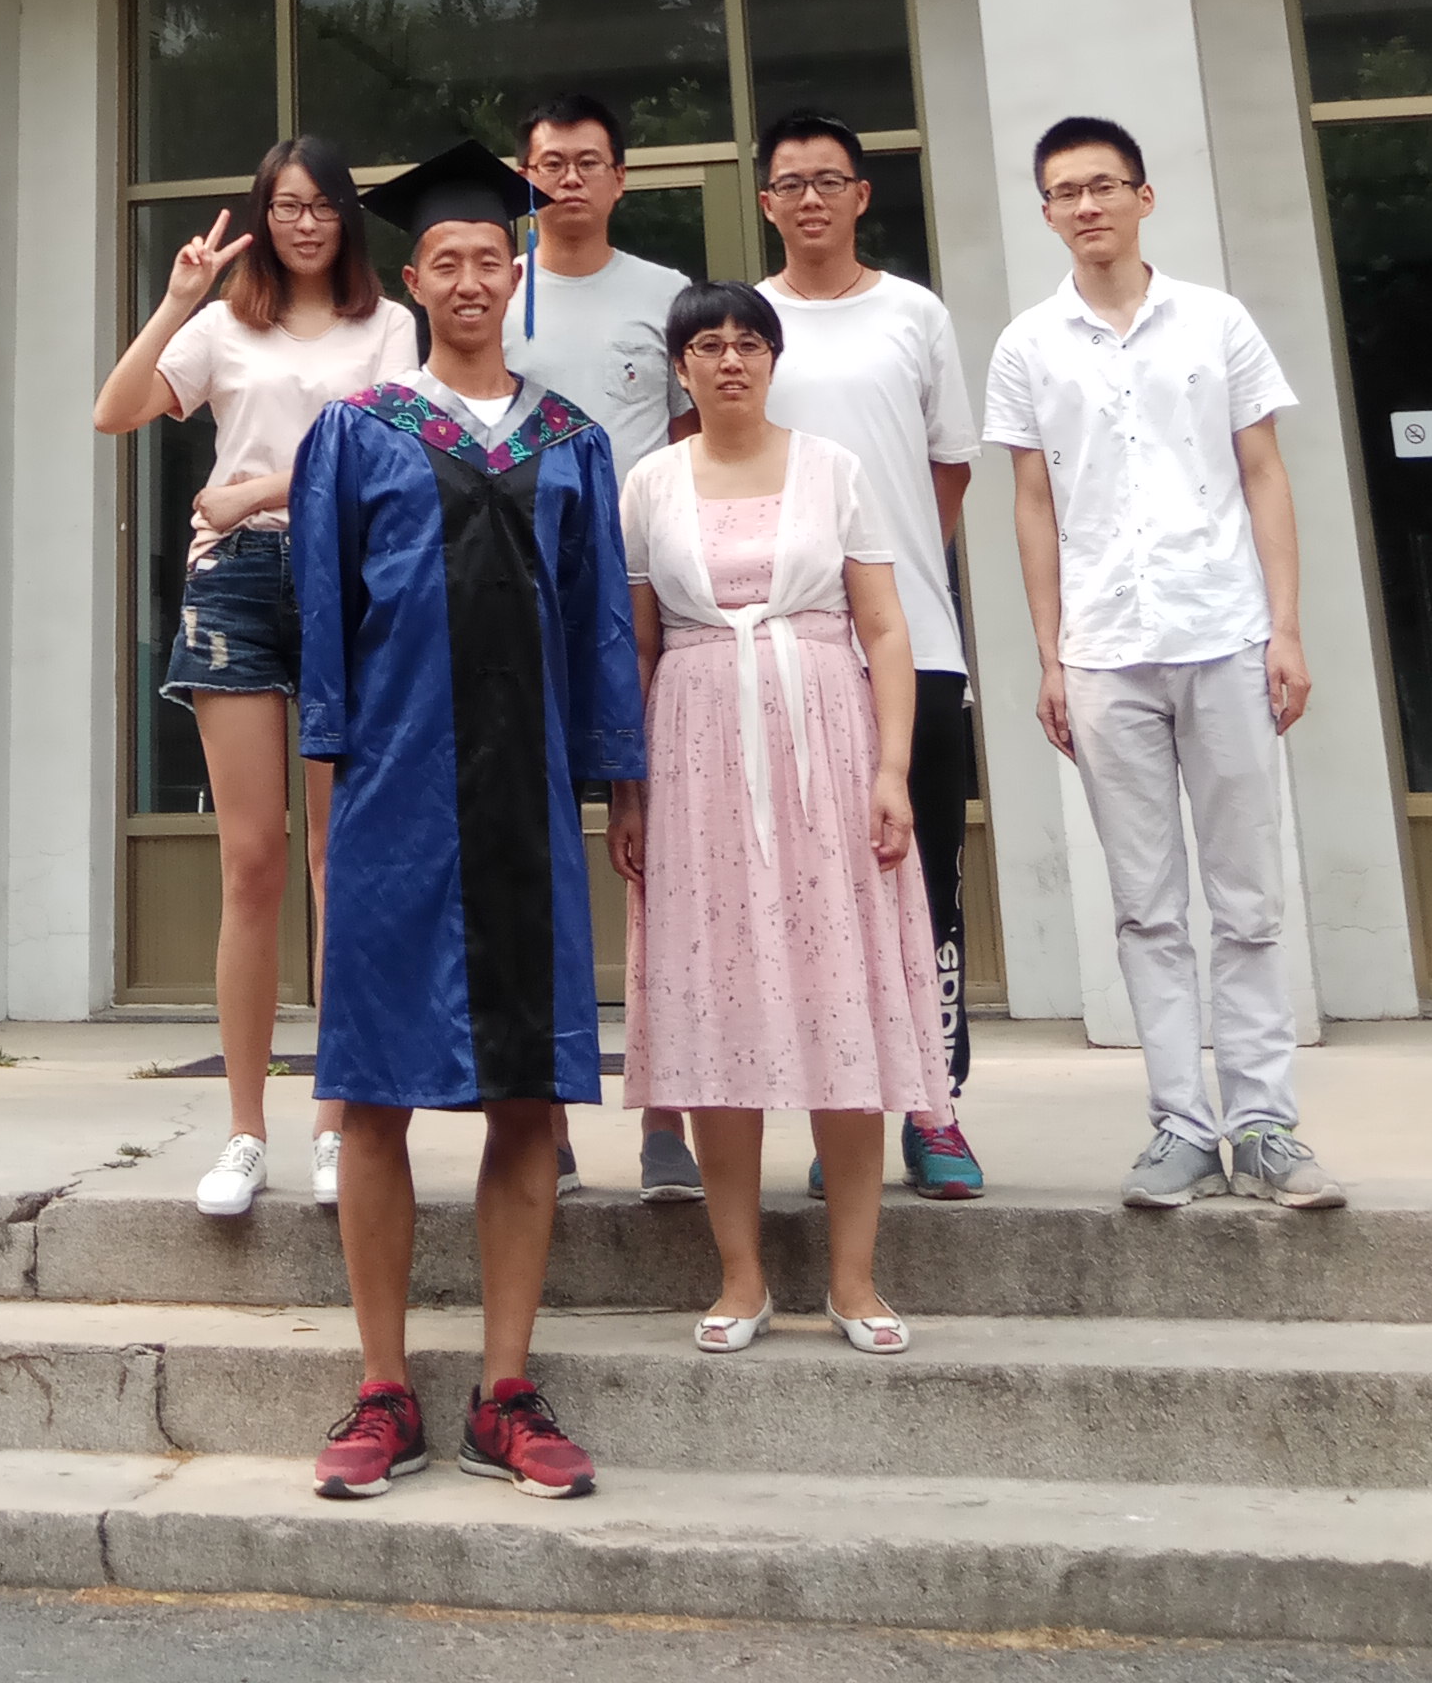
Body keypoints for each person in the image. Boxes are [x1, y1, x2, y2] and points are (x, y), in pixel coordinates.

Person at [292, 135, 648, 1501]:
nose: (467, 280)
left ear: (516, 274)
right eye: (443, 260)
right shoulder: (358, 433)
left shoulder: (572, 444)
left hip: (525, 809)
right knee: (372, 1093)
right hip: (394, 795)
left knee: (527, 1095)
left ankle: (506, 1390)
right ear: (413, 280)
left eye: (489, 260)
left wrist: (618, 778)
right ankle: (383, 1386)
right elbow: (325, 622)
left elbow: (601, 631)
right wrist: (330, 793)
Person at [983, 115, 1346, 1216]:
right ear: (1047, 213)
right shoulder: (1027, 345)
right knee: (1145, 905)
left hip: (1224, 632)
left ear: (1144, 197)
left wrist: (1286, 627)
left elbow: (1264, 471)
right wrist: (1050, 653)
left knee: (1248, 897)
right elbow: (1033, 503)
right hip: (1103, 653)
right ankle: (1182, 1125)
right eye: (1065, 192)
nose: (1086, 205)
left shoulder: (1217, 320)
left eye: (1104, 185)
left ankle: (1265, 1124)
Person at [615, 283, 954, 1353]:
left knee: (837, 995)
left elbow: (885, 629)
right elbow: (637, 645)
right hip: (696, 756)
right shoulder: (649, 482)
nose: (730, 360)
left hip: (827, 750)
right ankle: (740, 1275)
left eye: (749, 342)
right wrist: (628, 790)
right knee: (719, 1006)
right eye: (708, 345)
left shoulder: (834, 469)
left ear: (773, 357)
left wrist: (892, 770)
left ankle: (855, 1279)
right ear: (680, 365)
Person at [93, 136, 417, 1220]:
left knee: (339, 859)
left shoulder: (389, 324)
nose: (306, 222)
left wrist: (249, 491)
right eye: (287, 205)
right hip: (233, 584)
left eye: (323, 204)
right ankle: (244, 1129)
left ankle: (334, 1122)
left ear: (347, 215)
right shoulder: (224, 323)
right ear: (263, 216)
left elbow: (384, 452)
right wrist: (178, 297)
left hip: (346, 579)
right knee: (251, 863)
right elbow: (115, 410)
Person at [751, 106, 987, 1201]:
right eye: (791, 182)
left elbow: (949, 467)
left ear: (861, 194)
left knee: (925, 878)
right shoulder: (748, 323)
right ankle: (841, 1110)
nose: (811, 198)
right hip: (794, 653)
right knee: (815, 896)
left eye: (829, 180)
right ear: (767, 201)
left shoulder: (914, 313)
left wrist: (888, 581)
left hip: (915, 643)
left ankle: (936, 1108)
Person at [513, 90, 697, 1201]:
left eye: (589, 161)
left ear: (622, 178)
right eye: (551, 162)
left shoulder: (664, 295)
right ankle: (546, 1121)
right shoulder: (497, 289)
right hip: (515, 598)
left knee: (656, 851)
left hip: (641, 601)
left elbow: (689, 441)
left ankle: (667, 1114)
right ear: (524, 175)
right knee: (538, 859)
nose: (570, 178)